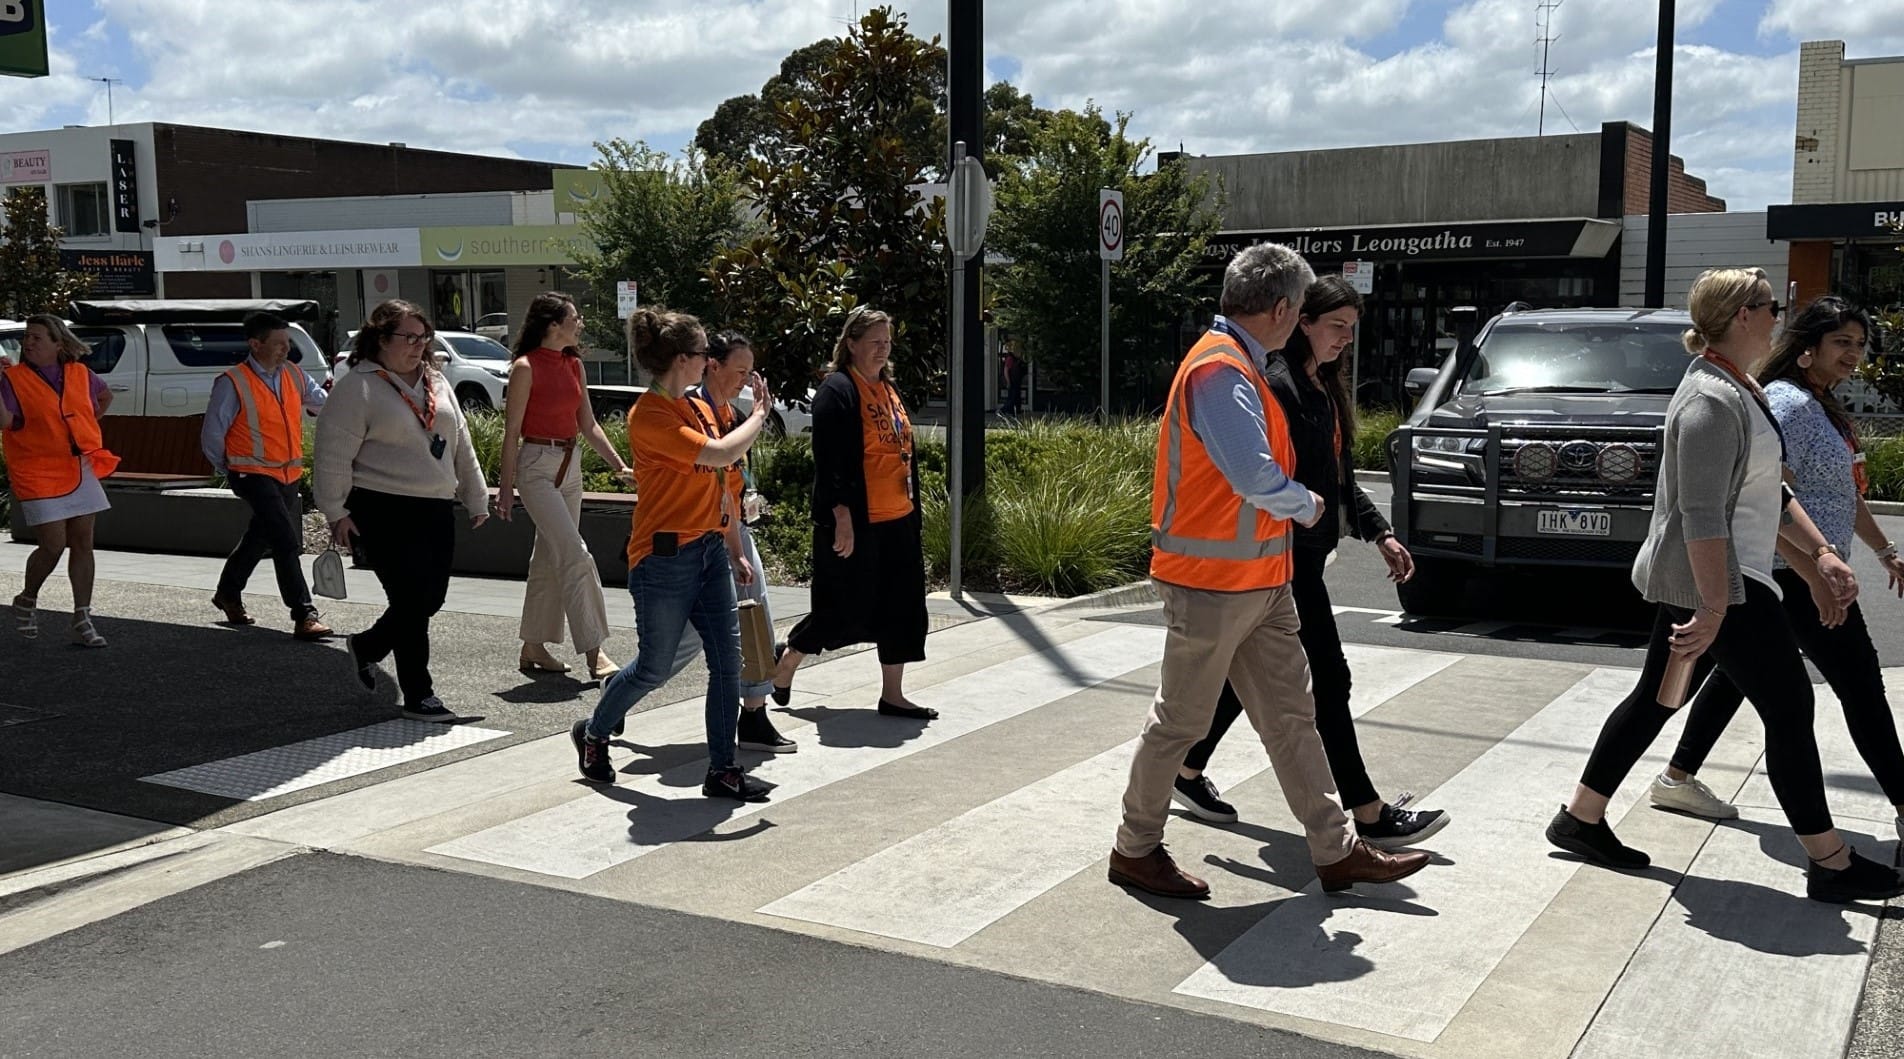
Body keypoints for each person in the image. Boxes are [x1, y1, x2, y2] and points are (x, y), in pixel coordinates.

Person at [1545, 268, 1904, 904]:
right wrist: (1714, 607)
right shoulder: (1710, 400)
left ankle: (1581, 816)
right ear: (1743, 315)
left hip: (1727, 579)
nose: (1778, 317)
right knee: (1789, 708)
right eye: (1771, 307)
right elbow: (1703, 516)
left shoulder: (1741, 387)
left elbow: (1771, 493)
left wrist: (1820, 555)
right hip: (1720, 582)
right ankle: (1831, 861)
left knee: (1658, 698)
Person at [1108, 243, 1432, 900]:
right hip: (1211, 585)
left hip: (1260, 583)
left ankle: (1336, 850)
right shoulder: (1221, 370)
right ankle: (1134, 848)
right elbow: (1253, 476)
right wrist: (1307, 504)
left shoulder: (1243, 367)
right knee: (1181, 723)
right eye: (1303, 309)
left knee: (1292, 717)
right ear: (1282, 309)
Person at [1171, 276, 1449, 849]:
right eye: (1336, 326)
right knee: (1328, 680)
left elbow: (1338, 477)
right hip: (1282, 560)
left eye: (1352, 328)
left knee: (1245, 680)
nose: (1346, 338)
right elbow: (1266, 477)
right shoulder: (1277, 385)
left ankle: (1185, 768)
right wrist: (1303, 509)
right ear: (1302, 321)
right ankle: (1367, 813)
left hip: (1302, 560)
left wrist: (1380, 533)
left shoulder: (1321, 384)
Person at [1646, 296, 1904, 863]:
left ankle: (1675, 777)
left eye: (1859, 345)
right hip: (1791, 575)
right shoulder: (1787, 404)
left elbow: (1844, 493)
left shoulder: (1820, 404)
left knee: (1733, 678)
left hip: (1804, 573)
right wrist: (1815, 570)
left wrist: (1884, 551)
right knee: (1859, 687)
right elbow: (1766, 498)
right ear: (1807, 348)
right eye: (1841, 343)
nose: (1853, 354)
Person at [571, 308, 778, 800]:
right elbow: (721, 454)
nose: (709, 360)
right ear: (682, 359)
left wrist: (733, 546)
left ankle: (723, 770)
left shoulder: (699, 408)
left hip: (708, 551)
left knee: (727, 663)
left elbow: (723, 483)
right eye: (704, 353)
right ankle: (594, 732)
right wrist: (759, 416)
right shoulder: (650, 416)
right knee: (654, 667)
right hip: (663, 559)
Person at [315, 299, 491, 723]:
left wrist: (476, 495)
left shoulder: (435, 380)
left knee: (430, 598)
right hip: (381, 507)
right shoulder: (358, 386)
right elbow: (332, 453)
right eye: (407, 337)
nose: (417, 345)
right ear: (380, 339)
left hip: (435, 505)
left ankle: (368, 646)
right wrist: (335, 511)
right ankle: (419, 694)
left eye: (423, 337)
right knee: (410, 600)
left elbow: (460, 441)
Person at [767, 308, 933, 720]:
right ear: (852, 343)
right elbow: (831, 462)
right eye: (874, 341)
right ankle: (788, 659)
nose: (883, 349)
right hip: (858, 521)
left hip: (899, 517)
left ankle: (893, 695)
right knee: (841, 607)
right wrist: (842, 516)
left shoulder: (887, 387)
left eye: (887, 341)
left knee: (903, 607)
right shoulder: (838, 390)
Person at [670, 329, 797, 752]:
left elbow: (735, 480)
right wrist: (760, 415)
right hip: (704, 533)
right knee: (686, 640)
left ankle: (754, 714)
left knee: (754, 615)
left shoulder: (732, 414)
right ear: (713, 365)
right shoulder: (693, 410)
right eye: (740, 371)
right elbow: (716, 467)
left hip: (733, 526)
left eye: (750, 372)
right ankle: (626, 686)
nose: (746, 380)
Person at [495, 291, 628, 683]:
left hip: (571, 466)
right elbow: (512, 432)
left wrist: (619, 465)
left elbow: (588, 424)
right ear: (553, 325)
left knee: (548, 557)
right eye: (575, 317)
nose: (580, 323)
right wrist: (505, 488)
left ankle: (533, 646)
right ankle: (595, 650)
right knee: (575, 554)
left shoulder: (574, 365)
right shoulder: (525, 367)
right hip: (536, 467)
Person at [201, 311, 334, 640]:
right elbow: (212, 434)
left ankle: (228, 593)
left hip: (287, 473)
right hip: (251, 473)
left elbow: (324, 404)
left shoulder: (294, 374)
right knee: (286, 541)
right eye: (278, 344)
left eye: (287, 342)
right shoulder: (232, 381)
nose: (286, 349)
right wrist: (230, 469)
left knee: (260, 537)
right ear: (255, 344)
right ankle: (304, 614)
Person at [1, 315, 118, 647]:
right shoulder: (13, 378)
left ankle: (82, 617)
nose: (28, 343)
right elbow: (5, 422)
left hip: (77, 466)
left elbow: (105, 397)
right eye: (27, 337)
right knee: (53, 544)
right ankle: (27, 597)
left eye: (37, 337)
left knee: (83, 542)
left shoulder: (80, 373)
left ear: (58, 343)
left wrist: (82, 427)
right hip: (36, 470)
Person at [1001, 344, 1025, 416]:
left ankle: (1015, 411)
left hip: (1016, 381)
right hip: (1012, 381)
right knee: (1012, 397)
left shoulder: (1017, 359)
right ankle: (1003, 410)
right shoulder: (1010, 359)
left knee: (1016, 397)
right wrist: (1008, 382)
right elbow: (1006, 370)